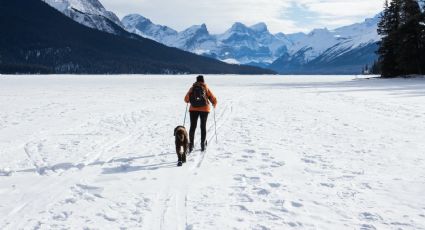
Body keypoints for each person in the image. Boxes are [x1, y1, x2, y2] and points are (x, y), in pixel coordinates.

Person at [184, 75, 217, 152]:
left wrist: (190, 100)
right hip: (204, 109)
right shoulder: (205, 87)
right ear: (203, 80)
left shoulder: (192, 88)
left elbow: (186, 99)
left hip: (193, 109)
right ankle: (202, 145)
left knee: (193, 127)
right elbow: (212, 98)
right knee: (203, 126)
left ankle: (191, 145)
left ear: (196, 80)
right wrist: (214, 104)